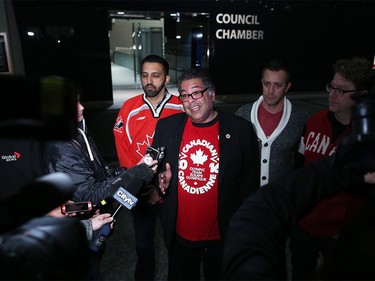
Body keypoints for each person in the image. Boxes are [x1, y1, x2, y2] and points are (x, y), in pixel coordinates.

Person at [152, 67, 260, 280]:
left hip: (223, 234)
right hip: (180, 233)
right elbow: (152, 173)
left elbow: (249, 184)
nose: (190, 100)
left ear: (211, 93)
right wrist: (158, 182)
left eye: (196, 93)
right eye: (184, 95)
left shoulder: (240, 130)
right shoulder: (167, 127)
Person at [44, 95, 158, 280]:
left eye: (81, 101)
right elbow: (89, 194)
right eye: (74, 104)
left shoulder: (77, 132)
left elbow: (97, 174)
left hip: (90, 225)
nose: (82, 108)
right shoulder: (62, 146)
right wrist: (137, 174)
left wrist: (129, 170)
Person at [290, 56, 375, 280]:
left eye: (341, 90)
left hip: (341, 234)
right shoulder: (314, 121)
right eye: (331, 87)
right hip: (304, 226)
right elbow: (299, 167)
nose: (332, 94)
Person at [113, 54, 184, 280]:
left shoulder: (181, 107)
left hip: (172, 191)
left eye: (155, 75)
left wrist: (162, 187)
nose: (149, 81)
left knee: (175, 242)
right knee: (143, 245)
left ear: (167, 78)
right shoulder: (130, 107)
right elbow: (122, 147)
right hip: (140, 190)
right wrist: (140, 182)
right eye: (145, 75)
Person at [236, 59, 308, 186]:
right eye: (266, 84)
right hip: (248, 199)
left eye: (278, 85)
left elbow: (303, 163)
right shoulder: (243, 115)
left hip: (282, 198)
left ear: (287, 87)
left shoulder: (299, 118)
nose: (270, 90)